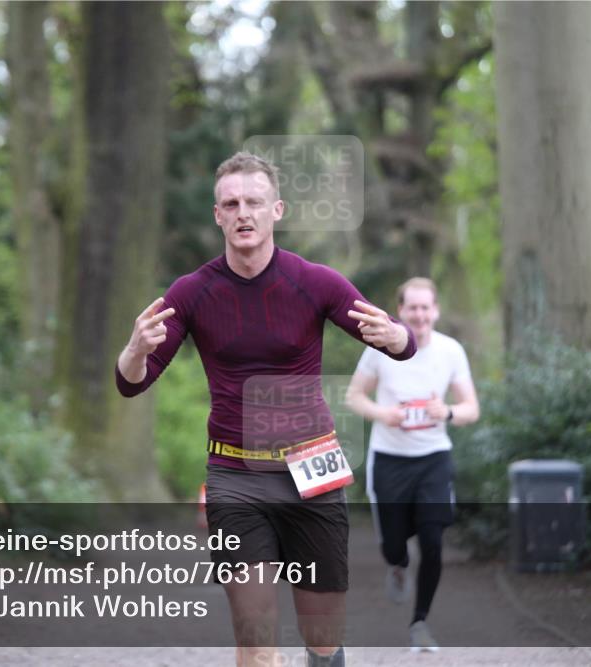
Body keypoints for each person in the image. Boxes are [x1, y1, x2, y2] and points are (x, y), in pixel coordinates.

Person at [115, 152, 417, 667]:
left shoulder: (314, 281)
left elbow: (401, 343)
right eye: (230, 204)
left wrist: (397, 336)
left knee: (322, 639)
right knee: (256, 641)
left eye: (253, 202)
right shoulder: (192, 293)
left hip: (313, 467)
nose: (242, 213)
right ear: (217, 215)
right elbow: (130, 384)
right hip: (234, 474)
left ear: (276, 209)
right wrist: (135, 349)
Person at [345, 277, 480, 652]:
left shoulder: (451, 351)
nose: (419, 315)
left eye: (425, 307)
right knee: (393, 546)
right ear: (400, 311)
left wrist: (448, 411)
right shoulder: (379, 349)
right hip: (389, 460)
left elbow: (471, 408)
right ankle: (398, 565)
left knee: (433, 541)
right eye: (412, 308)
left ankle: (420, 622)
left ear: (435, 311)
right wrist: (382, 413)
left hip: (433, 458)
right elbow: (354, 397)